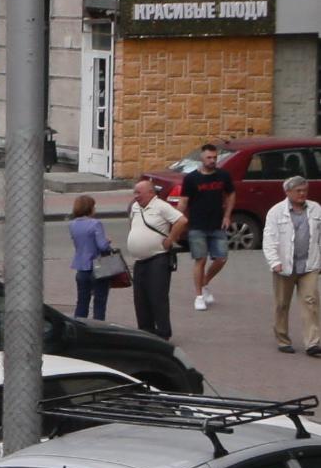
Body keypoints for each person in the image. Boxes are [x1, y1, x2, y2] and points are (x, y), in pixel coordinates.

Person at [266, 176, 321, 355]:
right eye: (298, 191)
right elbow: (269, 239)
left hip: (309, 265)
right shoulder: (276, 212)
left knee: (310, 302)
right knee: (282, 304)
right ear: (287, 192)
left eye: (304, 190)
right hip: (285, 266)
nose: (302, 194)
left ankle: (313, 343)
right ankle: (283, 339)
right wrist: (274, 262)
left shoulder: (315, 209)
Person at [127, 179, 188, 340]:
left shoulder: (160, 206)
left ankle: (163, 333)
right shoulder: (135, 207)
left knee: (157, 296)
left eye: (139, 193)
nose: (136, 196)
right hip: (140, 260)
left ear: (150, 192)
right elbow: (132, 223)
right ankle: (146, 332)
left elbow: (181, 220)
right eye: (135, 192)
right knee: (140, 298)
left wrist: (170, 239)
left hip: (157, 258)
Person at [180, 143, 236, 310]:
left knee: (221, 258)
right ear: (202, 158)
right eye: (209, 158)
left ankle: (204, 282)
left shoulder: (223, 176)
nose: (212, 161)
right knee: (201, 259)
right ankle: (199, 296)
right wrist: (177, 219)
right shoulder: (191, 179)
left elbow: (231, 193)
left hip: (217, 224)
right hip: (197, 224)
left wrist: (227, 215)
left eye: (214, 158)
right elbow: (184, 201)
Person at [67, 194, 113, 321]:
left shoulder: (72, 224)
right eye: (94, 206)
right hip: (98, 266)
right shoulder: (95, 224)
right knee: (99, 301)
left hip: (81, 267)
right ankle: (99, 329)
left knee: (82, 301)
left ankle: (78, 326)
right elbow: (102, 246)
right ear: (90, 208)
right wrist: (108, 241)